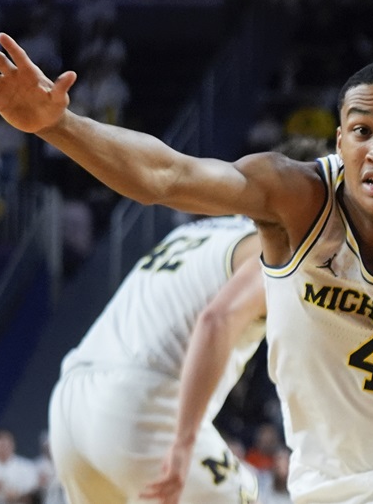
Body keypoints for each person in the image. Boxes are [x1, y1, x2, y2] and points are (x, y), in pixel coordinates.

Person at [0, 41, 373, 503]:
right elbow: (207, 288)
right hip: (165, 413)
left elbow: (167, 179)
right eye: (363, 134)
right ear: (337, 148)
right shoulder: (271, 224)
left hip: (74, 396)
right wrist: (58, 125)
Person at [46, 214, 266, 504]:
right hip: (138, 404)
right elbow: (215, 321)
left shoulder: (194, 231)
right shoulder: (278, 250)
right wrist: (184, 442)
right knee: (242, 495)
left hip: (71, 400)